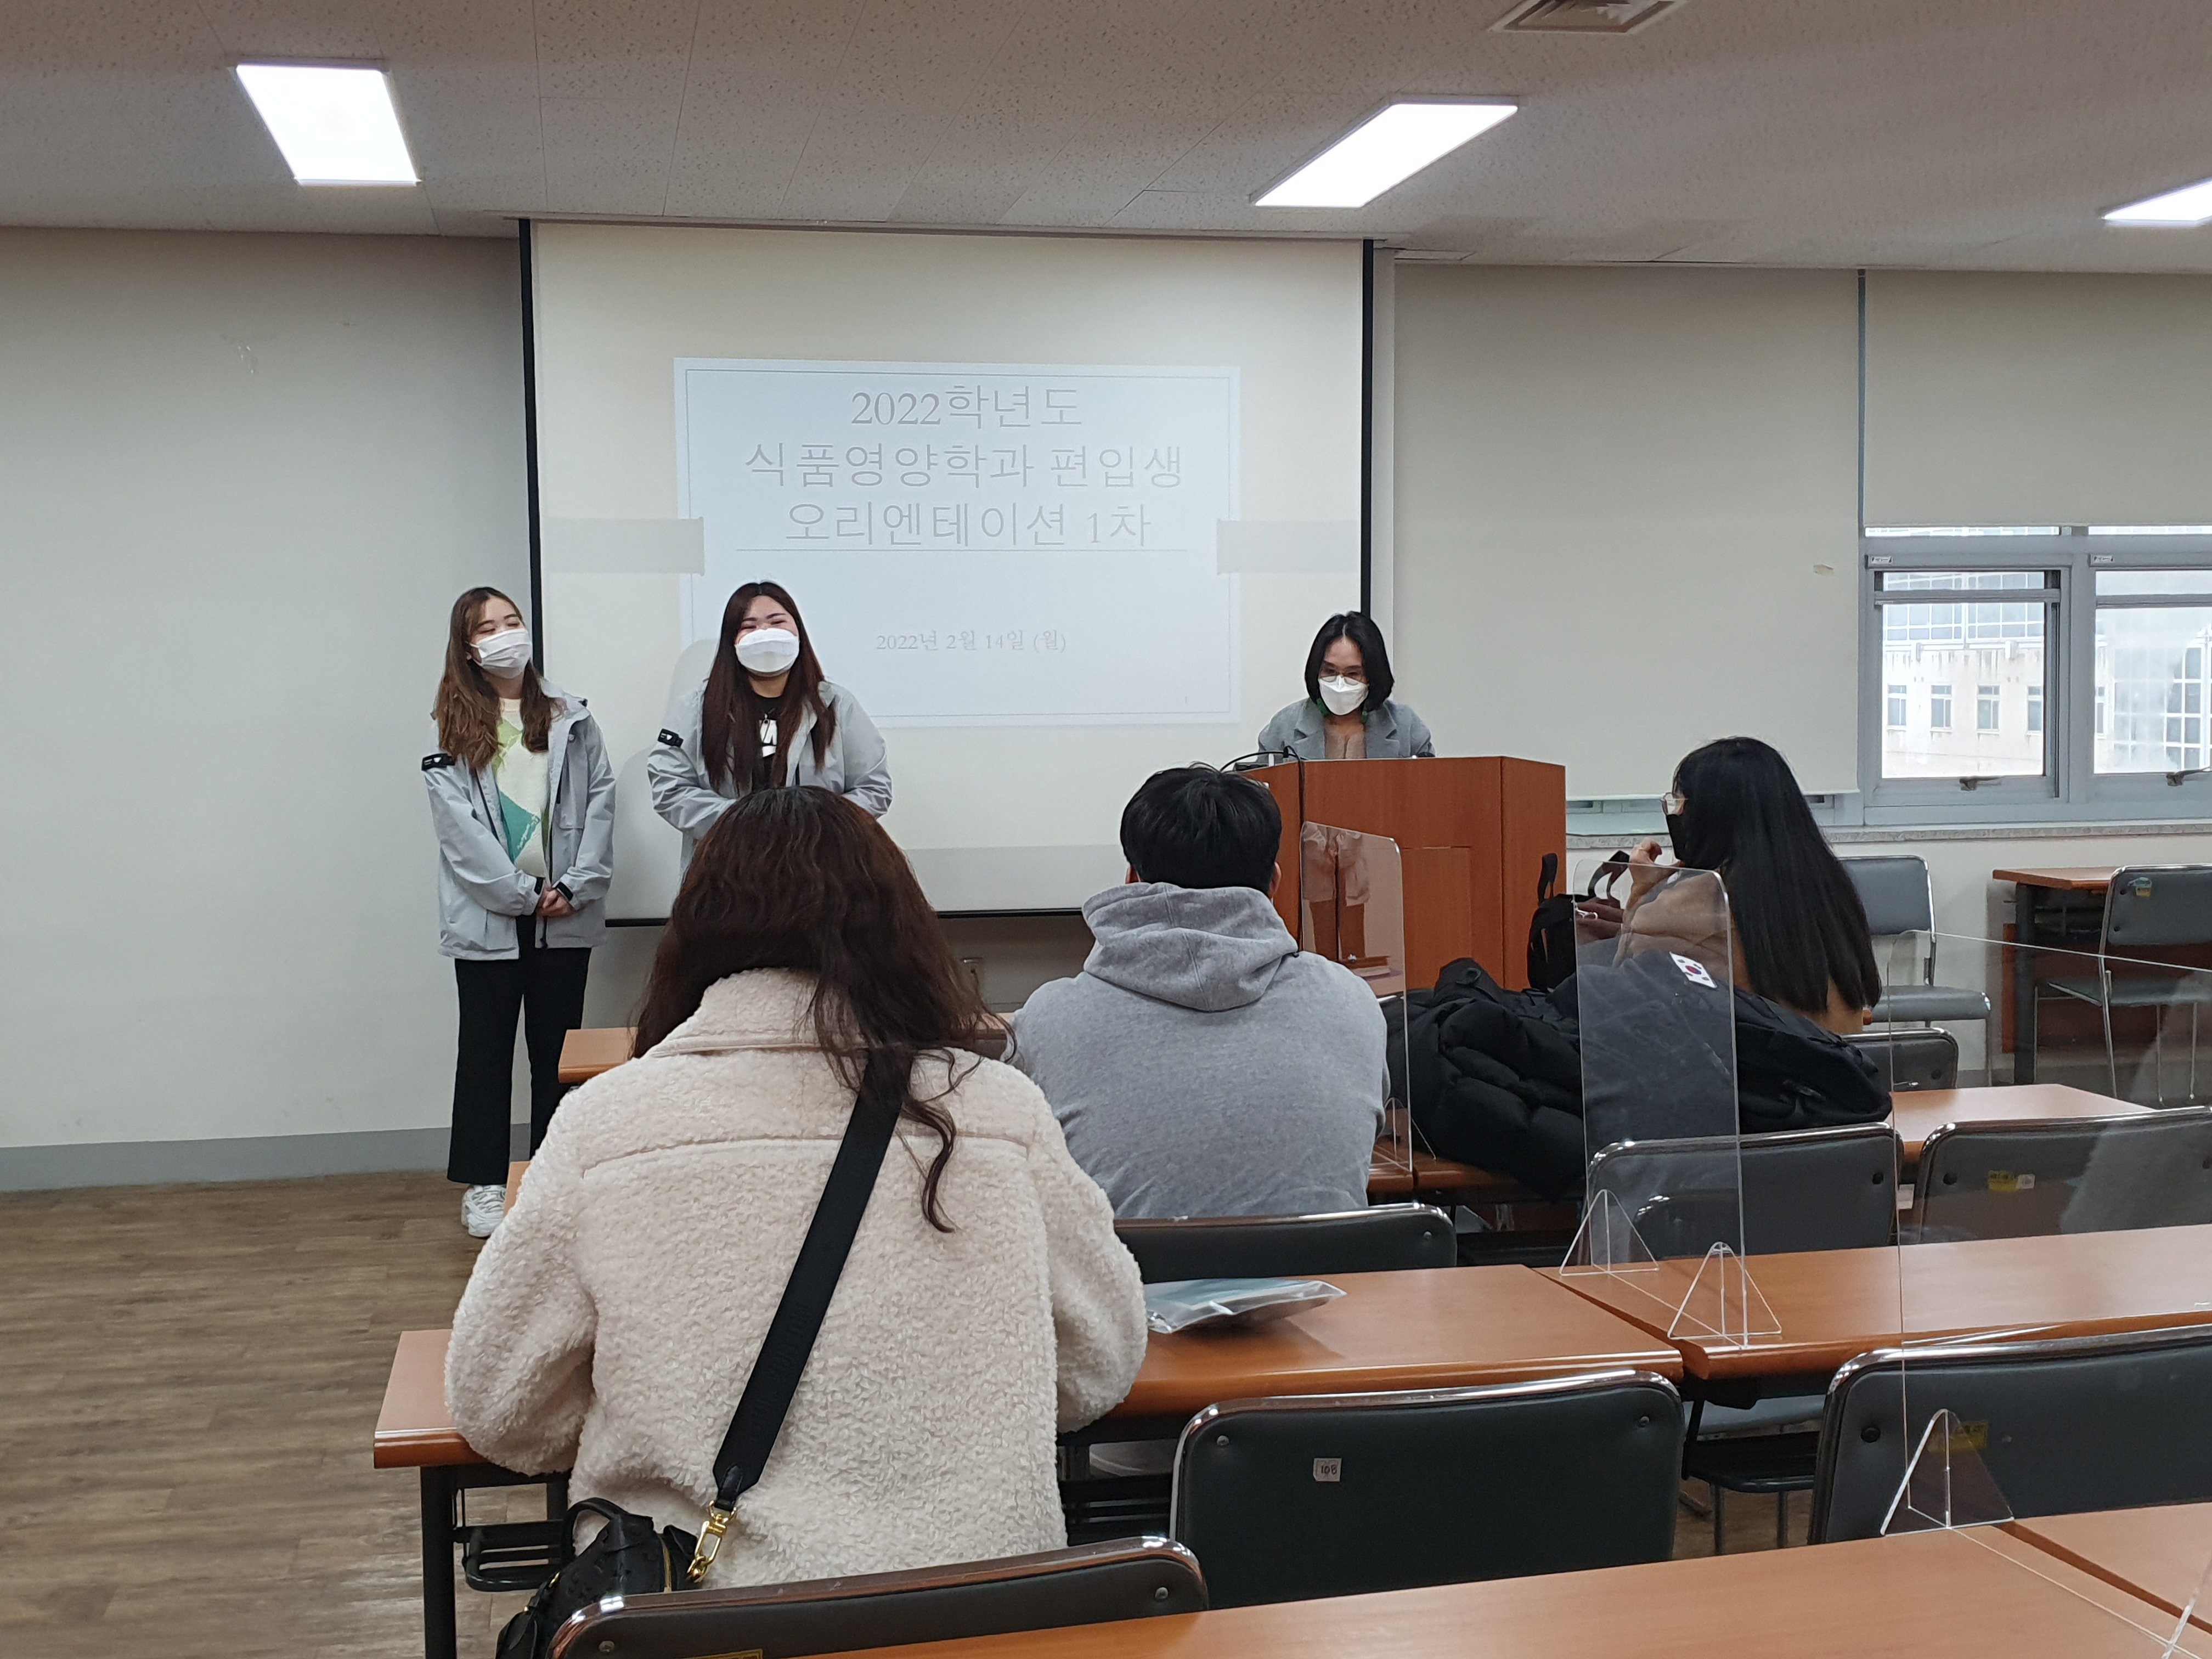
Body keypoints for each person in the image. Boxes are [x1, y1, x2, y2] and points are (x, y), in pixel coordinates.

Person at [445, 787, 1147, 1587]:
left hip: (709, 1613)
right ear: (901, 925)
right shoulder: (998, 1107)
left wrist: (646, 1412)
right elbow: (1099, 1362)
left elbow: (500, 1404)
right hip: (984, 1606)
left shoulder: (604, 1122)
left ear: (695, 929)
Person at [1011, 765, 1387, 1219]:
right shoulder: (1351, 1001)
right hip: (1328, 1268)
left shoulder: (1048, 1019)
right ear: (1273, 884)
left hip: (1128, 1268)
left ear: (1131, 880)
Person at [424, 587, 614, 1238]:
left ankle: (551, 1177)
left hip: (565, 913)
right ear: (468, 650)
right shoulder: (451, 727)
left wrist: (576, 886)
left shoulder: (572, 718)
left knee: (556, 1053)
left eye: (512, 621)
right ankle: (485, 1182)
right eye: (488, 629)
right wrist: (522, 895)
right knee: (484, 1052)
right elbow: (460, 835)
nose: (506, 634)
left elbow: (600, 804)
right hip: (493, 919)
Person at [1626, 736, 1880, 1036]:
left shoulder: (1695, 902)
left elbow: (1626, 979)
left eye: (1679, 803)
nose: (1677, 815)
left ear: (1707, 813)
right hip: (1843, 1059)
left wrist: (1644, 890)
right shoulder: (1829, 886)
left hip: (1753, 1065)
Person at [650, 582, 890, 870]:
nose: (764, 633)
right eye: (749, 626)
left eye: (777, 622)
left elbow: (874, 788)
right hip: (726, 872)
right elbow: (670, 788)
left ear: (798, 632)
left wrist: (813, 827)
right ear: (731, 641)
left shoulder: (837, 705)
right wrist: (746, 824)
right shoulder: (696, 708)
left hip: (821, 871)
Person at [1256, 612, 1435, 761]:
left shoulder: (1406, 726)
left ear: (1373, 676)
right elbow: (1259, 787)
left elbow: (1429, 784)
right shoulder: (1284, 726)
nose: (1339, 683)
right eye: (1330, 671)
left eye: (1353, 674)